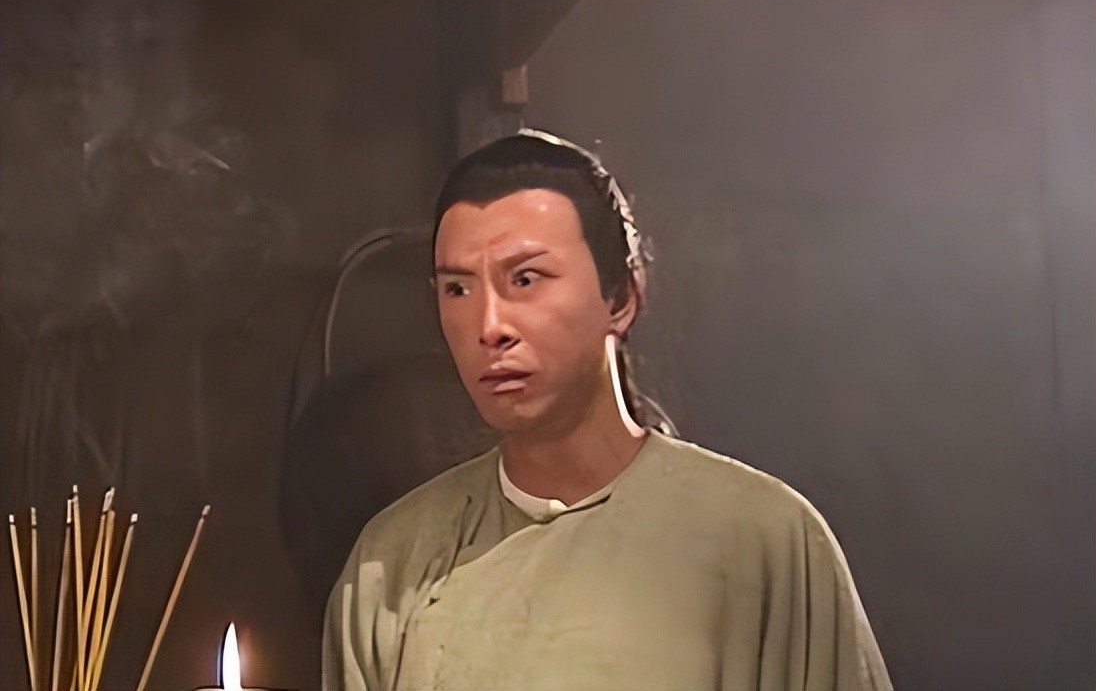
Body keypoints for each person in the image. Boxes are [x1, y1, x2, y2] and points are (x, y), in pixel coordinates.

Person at [322, 129, 892, 690]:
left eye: (526, 278)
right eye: (458, 290)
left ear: (621, 297)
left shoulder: (763, 540)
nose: (489, 326)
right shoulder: (391, 564)